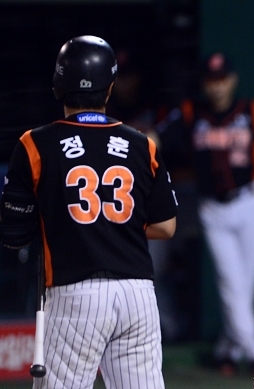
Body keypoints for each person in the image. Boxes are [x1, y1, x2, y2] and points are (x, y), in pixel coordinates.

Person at [0, 35, 178, 388]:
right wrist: (110, 226)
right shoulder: (143, 144)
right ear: (109, 89)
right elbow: (166, 226)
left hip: (75, 293)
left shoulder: (35, 143)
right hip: (137, 293)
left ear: (58, 85)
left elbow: (13, 235)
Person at [158, 51, 254, 374]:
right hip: (213, 208)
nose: (217, 86)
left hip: (250, 203)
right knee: (231, 283)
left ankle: (226, 349)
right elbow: (154, 138)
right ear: (204, 83)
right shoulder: (190, 113)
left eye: (222, 78)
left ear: (233, 79)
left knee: (241, 287)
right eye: (211, 80)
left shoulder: (253, 111)